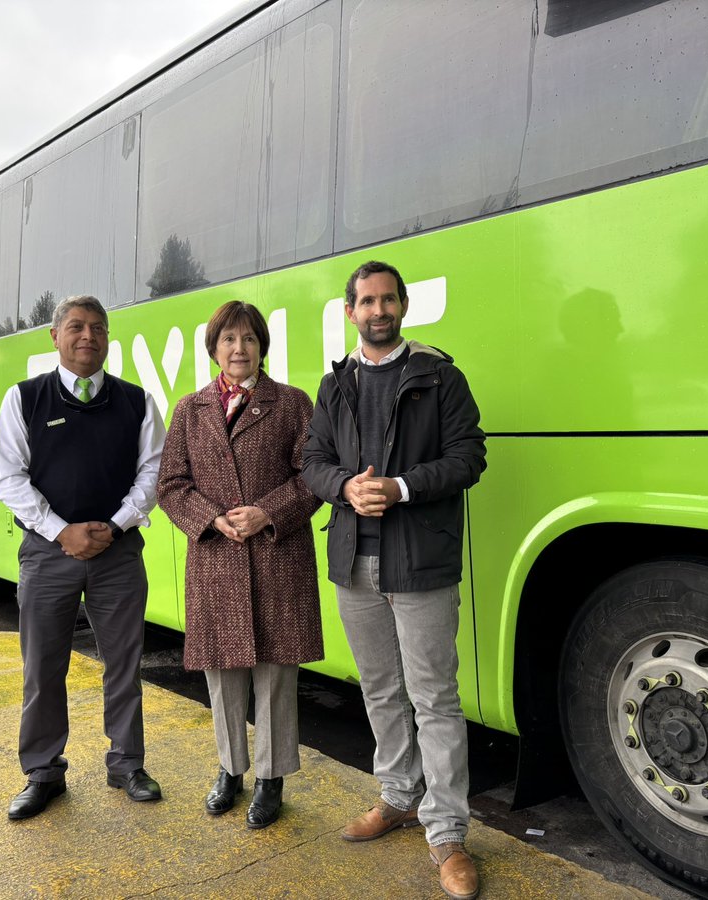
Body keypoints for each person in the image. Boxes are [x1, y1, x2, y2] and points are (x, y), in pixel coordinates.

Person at [302, 261, 487, 900]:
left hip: (420, 563)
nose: (378, 310)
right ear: (349, 310)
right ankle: (399, 797)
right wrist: (346, 488)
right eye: (367, 301)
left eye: (388, 300)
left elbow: (470, 457)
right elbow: (312, 463)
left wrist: (401, 488)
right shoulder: (336, 386)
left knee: (434, 698)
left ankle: (448, 834)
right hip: (355, 562)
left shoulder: (441, 378)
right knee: (381, 691)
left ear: (403, 306)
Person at [0, 294, 166, 820]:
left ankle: (127, 763)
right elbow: (7, 476)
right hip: (47, 557)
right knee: (43, 666)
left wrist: (113, 526)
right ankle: (43, 774)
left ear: (108, 338)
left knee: (124, 664)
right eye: (75, 327)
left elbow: (153, 473)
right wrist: (61, 531)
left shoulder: (136, 401)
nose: (87, 336)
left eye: (97, 328)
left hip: (118, 553)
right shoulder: (24, 399)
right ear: (55, 337)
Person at [157, 300, 322, 829]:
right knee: (223, 674)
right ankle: (230, 769)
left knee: (275, 674)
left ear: (262, 347)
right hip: (215, 558)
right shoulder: (190, 410)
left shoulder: (293, 404)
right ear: (213, 348)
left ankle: (271, 779)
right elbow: (170, 486)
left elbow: (315, 477)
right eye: (228, 339)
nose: (238, 349)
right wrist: (210, 518)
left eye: (248, 339)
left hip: (276, 555)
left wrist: (266, 512)